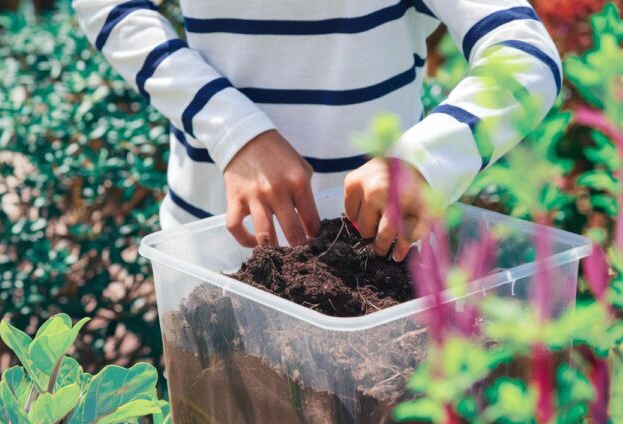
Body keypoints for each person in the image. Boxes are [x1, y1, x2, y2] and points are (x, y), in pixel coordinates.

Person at [74, 0, 560, 262]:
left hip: (375, 258)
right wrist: (233, 130)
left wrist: (424, 159)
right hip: (210, 248)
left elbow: (525, 54)